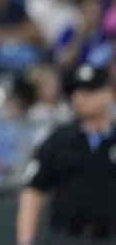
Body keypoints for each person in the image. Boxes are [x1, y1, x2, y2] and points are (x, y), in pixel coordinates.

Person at [17, 64, 116, 245]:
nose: (80, 98)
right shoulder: (59, 139)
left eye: (89, 91)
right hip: (65, 237)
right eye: (76, 92)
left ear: (108, 94)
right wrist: (25, 241)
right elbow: (33, 191)